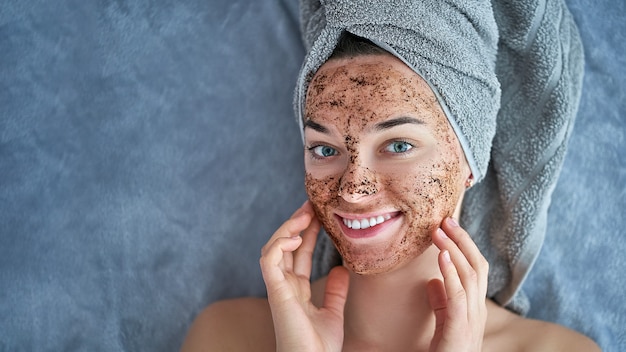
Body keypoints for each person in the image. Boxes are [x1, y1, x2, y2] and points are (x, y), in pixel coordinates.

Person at [180, 32, 600, 351]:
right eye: (325, 149)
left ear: (470, 158)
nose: (353, 189)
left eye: (398, 145)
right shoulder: (227, 335)